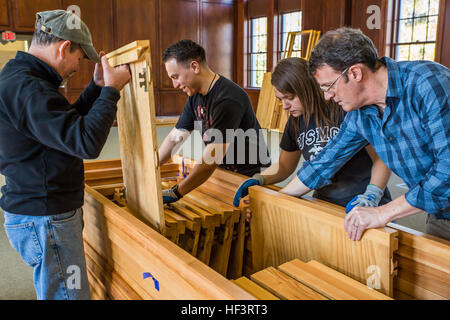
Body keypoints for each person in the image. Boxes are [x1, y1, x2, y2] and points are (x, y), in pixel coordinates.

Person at [0, 10, 131, 299]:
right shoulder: (30, 88)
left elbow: (62, 127)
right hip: (45, 216)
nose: (77, 66)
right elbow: (85, 142)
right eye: (79, 58)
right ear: (63, 48)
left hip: (39, 210)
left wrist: (95, 89)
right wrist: (111, 90)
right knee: (68, 295)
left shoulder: (24, 77)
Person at [279, 27, 449, 241]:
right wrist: (274, 198)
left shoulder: (427, 83)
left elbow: (447, 171)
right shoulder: (360, 114)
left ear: (355, 73)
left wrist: (382, 212)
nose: (327, 97)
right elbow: (325, 162)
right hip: (439, 212)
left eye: (328, 86)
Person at [233, 57, 392, 218]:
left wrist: (372, 193)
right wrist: (260, 179)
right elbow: (284, 165)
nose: (285, 106)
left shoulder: (342, 109)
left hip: (363, 202)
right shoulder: (295, 121)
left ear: (307, 89)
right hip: (324, 202)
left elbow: (382, 158)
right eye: (280, 100)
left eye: (290, 98)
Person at [159, 39, 270, 203]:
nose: (174, 85)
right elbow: (175, 138)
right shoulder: (194, 97)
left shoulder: (228, 98)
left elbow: (211, 159)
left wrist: (176, 192)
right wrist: (150, 168)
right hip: (226, 174)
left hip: (250, 178)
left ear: (195, 67)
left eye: (176, 77)